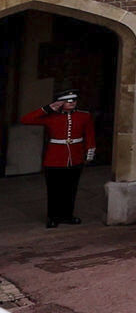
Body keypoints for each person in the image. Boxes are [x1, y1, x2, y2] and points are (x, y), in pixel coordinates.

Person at [29, 89, 92, 227]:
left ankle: (67, 215)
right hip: (54, 159)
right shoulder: (51, 116)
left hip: (75, 158)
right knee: (54, 190)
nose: (71, 103)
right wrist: (48, 108)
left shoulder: (84, 116)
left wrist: (89, 152)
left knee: (70, 189)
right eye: (67, 100)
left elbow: (89, 135)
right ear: (60, 102)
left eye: (74, 100)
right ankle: (53, 217)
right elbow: (27, 119)